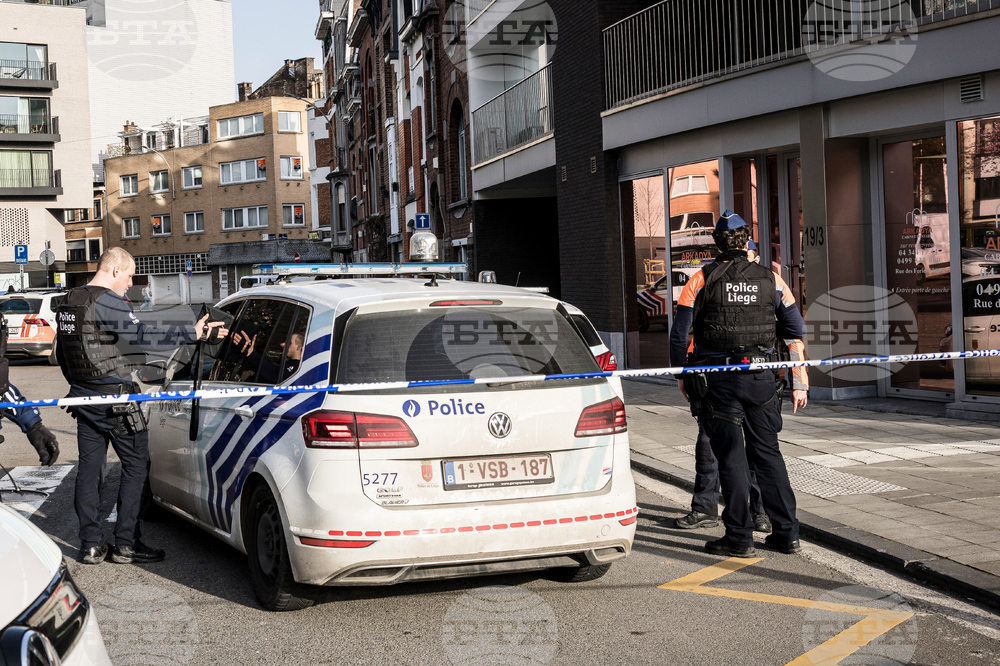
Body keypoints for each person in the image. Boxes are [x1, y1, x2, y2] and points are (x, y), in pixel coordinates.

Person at [56, 248, 227, 566]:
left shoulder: (69, 300)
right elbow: (141, 336)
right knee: (136, 465)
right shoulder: (108, 301)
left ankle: (91, 545)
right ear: (115, 270)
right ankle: (126, 543)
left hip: (85, 400)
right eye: (130, 275)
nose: (131, 283)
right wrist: (191, 333)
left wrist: (78, 388)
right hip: (117, 401)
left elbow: (63, 353)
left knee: (90, 470)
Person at [669, 211, 809, 558]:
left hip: (718, 382)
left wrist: (682, 376)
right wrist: (793, 372)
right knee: (768, 454)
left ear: (717, 243)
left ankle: (739, 538)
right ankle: (787, 534)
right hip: (761, 379)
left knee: (731, 458)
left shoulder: (700, 278)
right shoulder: (773, 280)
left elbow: (678, 335)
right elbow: (796, 329)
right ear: (747, 242)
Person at [672, 239, 771, 535]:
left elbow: (789, 333)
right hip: (714, 377)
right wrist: (684, 372)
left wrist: (799, 381)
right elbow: (686, 332)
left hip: (753, 379)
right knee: (708, 445)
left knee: (754, 450)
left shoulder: (765, 285)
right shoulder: (711, 280)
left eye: (748, 256)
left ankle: (759, 511)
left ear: (755, 258)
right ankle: (705, 508)